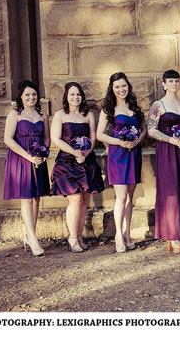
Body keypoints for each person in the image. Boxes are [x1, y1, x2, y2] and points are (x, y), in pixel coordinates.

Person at [50, 82, 105, 253]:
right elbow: (56, 139)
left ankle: (79, 236)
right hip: (67, 162)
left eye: (78, 94)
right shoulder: (60, 115)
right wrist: (74, 152)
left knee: (83, 200)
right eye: (72, 94)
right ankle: (72, 237)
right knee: (74, 199)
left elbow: (93, 137)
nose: (76, 97)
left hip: (86, 160)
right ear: (66, 96)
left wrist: (85, 153)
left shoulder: (88, 114)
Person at [96, 72, 147, 253]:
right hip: (118, 155)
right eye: (117, 87)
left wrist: (137, 140)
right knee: (121, 195)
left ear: (128, 86)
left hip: (133, 153)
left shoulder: (135, 107)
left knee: (130, 196)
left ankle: (127, 233)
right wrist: (119, 142)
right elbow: (99, 134)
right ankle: (118, 234)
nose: (121, 89)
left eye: (123, 86)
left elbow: (144, 129)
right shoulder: (108, 109)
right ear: (112, 88)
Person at [3, 80, 51, 256]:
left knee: (36, 197)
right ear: (21, 97)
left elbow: (46, 138)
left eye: (34, 94)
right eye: (27, 95)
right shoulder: (15, 114)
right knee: (27, 198)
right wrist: (28, 156)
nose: (31, 97)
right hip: (21, 159)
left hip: (38, 158)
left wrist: (43, 153)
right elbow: (8, 139)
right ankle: (32, 237)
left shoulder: (42, 115)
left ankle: (31, 235)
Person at [147, 69, 180, 254]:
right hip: (167, 151)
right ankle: (172, 235)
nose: (174, 84)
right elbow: (151, 130)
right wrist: (171, 140)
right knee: (171, 190)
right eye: (171, 81)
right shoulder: (158, 105)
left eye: (177, 81)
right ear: (164, 84)